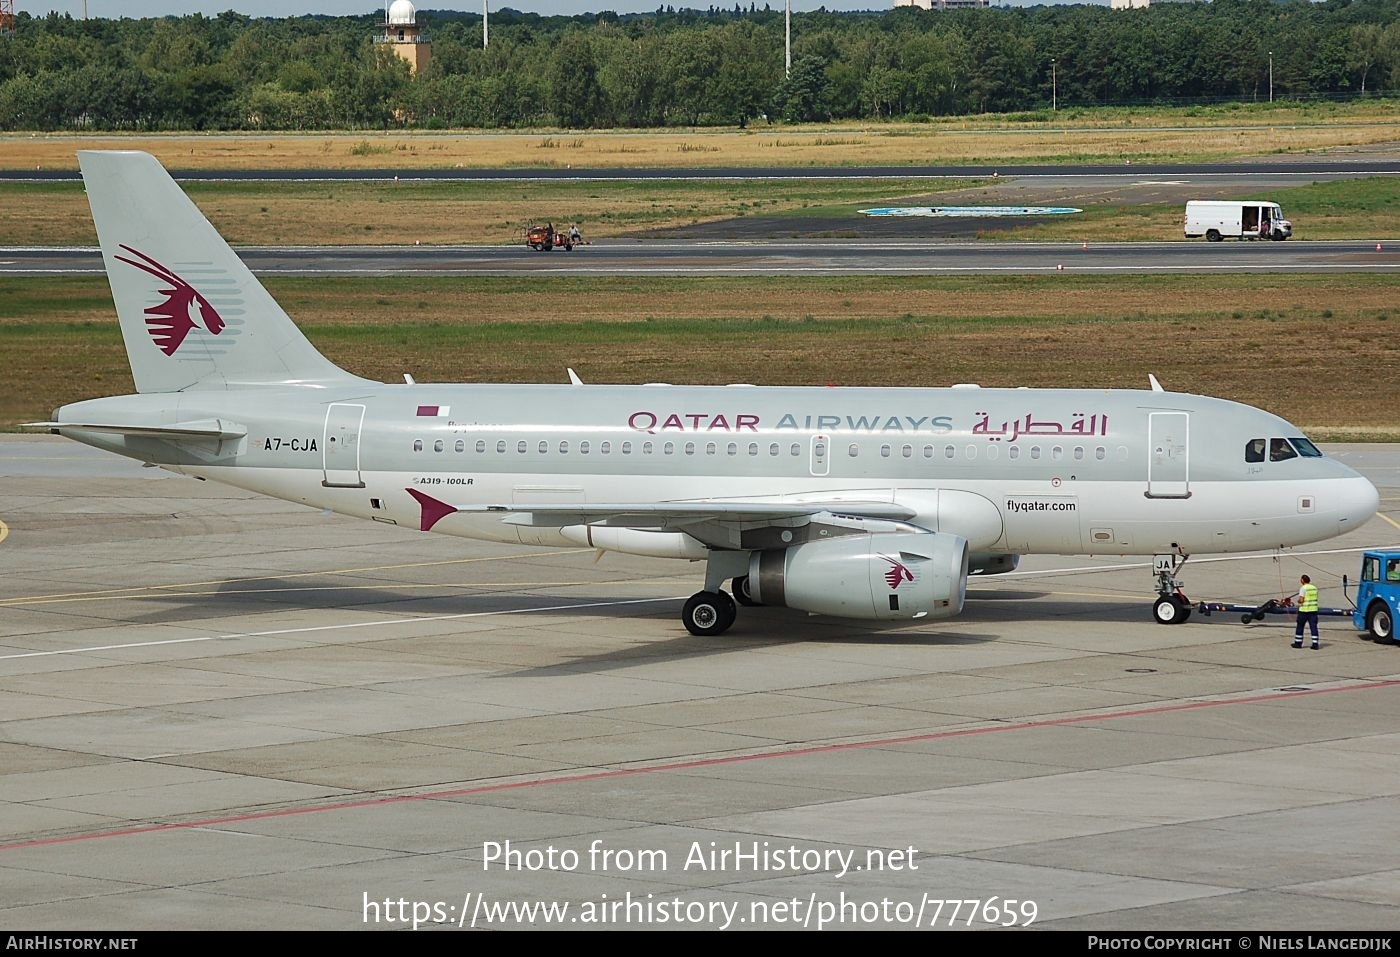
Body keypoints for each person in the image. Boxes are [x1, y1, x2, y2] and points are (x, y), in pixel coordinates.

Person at [1293, 574, 1320, 649]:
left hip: (1304, 611)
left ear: (1302, 580)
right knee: (1313, 627)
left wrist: (1298, 601)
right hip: (1313, 610)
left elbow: (1301, 600)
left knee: (1300, 627)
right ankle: (1315, 644)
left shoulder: (1303, 588)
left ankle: (1298, 643)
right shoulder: (1314, 588)